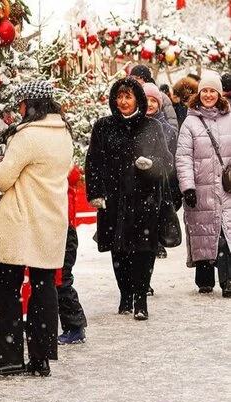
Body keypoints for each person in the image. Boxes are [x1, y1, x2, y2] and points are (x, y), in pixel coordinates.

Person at [0, 81, 73, 378]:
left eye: (21, 103)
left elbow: (3, 180)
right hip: (50, 219)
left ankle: (9, 356)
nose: (19, 109)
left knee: (8, 289)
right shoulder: (64, 134)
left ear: (31, 104)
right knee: (44, 287)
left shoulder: (28, 136)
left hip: (19, 221)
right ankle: (40, 357)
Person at [85, 78, 173, 321]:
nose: (122, 102)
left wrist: (152, 164)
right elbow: (93, 162)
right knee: (119, 249)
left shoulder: (152, 127)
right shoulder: (103, 127)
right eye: (119, 97)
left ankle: (141, 298)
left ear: (138, 100)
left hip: (144, 199)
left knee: (144, 250)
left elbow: (166, 161)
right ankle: (125, 295)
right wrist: (95, 193)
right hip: (113, 199)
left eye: (128, 97)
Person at [175, 75, 231, 298]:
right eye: (205, 91)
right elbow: (183, 157)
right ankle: (205, 279)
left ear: (219, 94)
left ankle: (228, 281)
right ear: (199, 94)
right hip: (201, 188)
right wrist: (188, 187)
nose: (208, 95)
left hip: (227, 188)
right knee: (203, 232)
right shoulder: (190, 122)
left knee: (226, 233)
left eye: (213, 91)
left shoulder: (229, 118)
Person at [144, 82, 180, 262]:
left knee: (159, 213)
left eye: (153, 101)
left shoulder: (167, 129)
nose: (150, 104)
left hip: (161, 181)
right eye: (146, 100)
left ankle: (157, 240)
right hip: (139, 183)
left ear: (159, 104)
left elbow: (172, 157)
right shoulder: (134, 125)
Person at [57, 164, 88, 345]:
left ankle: (75, 326)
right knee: (60, 281)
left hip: (64, 234)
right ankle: (73, 325)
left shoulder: (63, 190)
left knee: (62, 281)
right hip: (63, 233)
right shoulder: (63, 186)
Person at [130, 65, 179, 129]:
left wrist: (160, 134)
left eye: (137, 78)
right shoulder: (130, 97)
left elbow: (173, 125)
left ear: (145, 79)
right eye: (131, 78)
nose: (133, 81)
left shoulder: (162, 97)